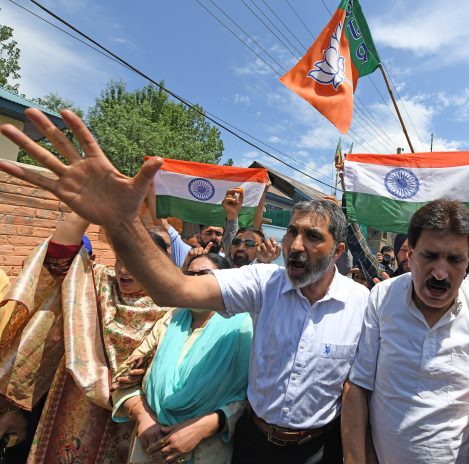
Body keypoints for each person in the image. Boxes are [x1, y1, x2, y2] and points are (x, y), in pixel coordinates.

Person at [1, 107, 371, 464]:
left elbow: (359, 392)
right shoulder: (263, 282)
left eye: (312, 237)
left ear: (338, 250)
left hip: (318, 450)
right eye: (292, 232)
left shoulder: (363, 305)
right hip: (251, 445)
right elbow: (174, 292)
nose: (295, 245)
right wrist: (122, 221)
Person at [343, 200, 469, 464]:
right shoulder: (382, 297)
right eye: (429, 256)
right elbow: (359, 385)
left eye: (454, 260)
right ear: (411, 252)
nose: (440, 273)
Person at [0, 211, 171, 463]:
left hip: (131, 416)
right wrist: (84, 210)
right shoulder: (96, 283)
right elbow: (56, 260)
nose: (123, 269)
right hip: (72, 406)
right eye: (120, 259)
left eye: (135, 262)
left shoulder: (171, 309)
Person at [112, 253, 252, 463]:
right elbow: (124, 376)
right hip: (151, 443)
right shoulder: (172, 319)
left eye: (204, 275)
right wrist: (143, 416)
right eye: (189, 275)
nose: (194, 281)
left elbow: (248, 396)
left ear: (224, 281)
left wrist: (205, 426)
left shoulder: (243, 328)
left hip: (204, 449)